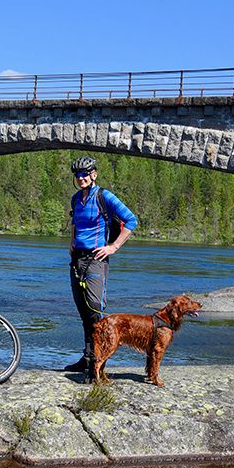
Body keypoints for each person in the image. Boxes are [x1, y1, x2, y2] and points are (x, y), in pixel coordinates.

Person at [64, 156, 138, 379]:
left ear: (94, 174)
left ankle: (98, 362)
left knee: (96, 310)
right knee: (83, 312)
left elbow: (131, 220)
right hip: (77, 259)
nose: (81, 178)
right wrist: (71, 243)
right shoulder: (76, 199)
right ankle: (87, 357)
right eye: (77, 175)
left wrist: (113, 247)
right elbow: (75, 223)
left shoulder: (104, 196)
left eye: (85, 174)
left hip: (96, 259)